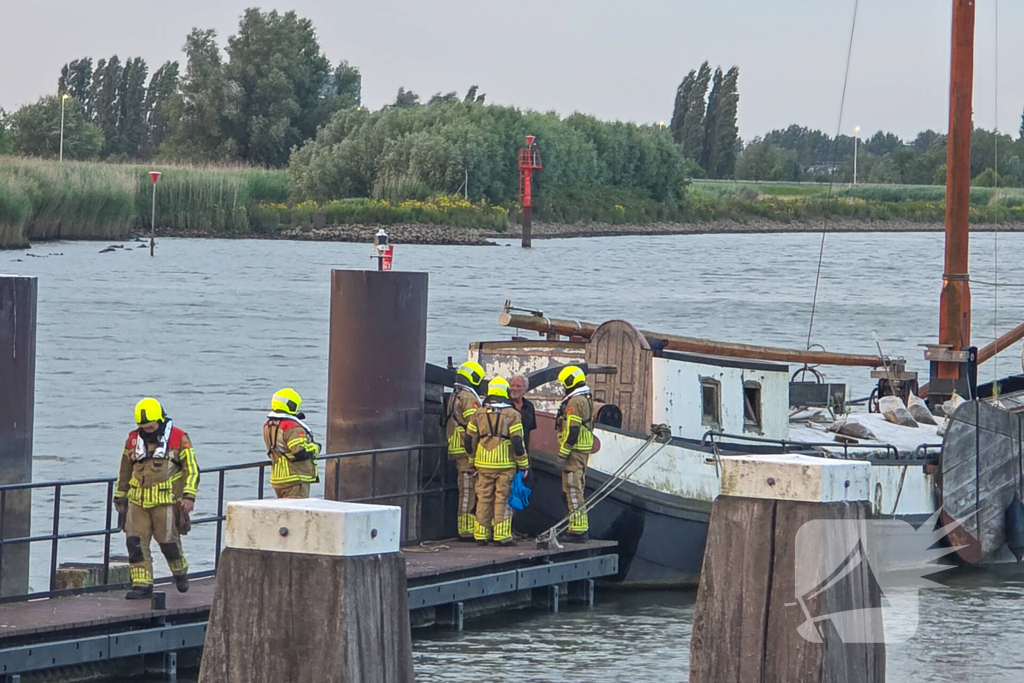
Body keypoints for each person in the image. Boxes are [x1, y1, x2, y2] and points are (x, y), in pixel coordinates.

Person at [114, 398, 199, 599]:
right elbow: (125, 469)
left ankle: (180, 573)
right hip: (137, 500)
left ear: (160, 421)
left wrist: (189, 496)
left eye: (151, 427)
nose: (148, 431)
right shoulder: (133, 440)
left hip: (166, 501)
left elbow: (192, 469)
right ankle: (142, 585)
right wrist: (120, 495)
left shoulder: (179, 438)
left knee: (169, 543)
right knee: (134, 543)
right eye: (143, 427)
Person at [465, 377, 529, 546]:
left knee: (483, 498)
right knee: (503, 498)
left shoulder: (478, 413)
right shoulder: (513, 414)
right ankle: (501, 536)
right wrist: (523, 464)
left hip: (483, 463)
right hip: (505, 464)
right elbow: (517, 442)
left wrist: (472, 461)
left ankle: (481, 535)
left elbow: (468, 440)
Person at [555, 366, 594, 543]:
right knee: (576, 488)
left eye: (565, 383)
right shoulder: (584, 397)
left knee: (572, 489)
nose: (564, 387)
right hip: (582, 449)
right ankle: (576, 527)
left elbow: (573, 430)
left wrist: (562, 454)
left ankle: (578, 531)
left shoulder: (575, 402)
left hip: (574, 451)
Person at [446, 361, 484, 540]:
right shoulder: (468, 397)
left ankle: (467, 527)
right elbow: (474, 424)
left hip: (458, 447)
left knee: (466, 488)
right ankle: (466, 530)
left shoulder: (456, 395)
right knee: (468, 490)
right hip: (466, 449)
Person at [263, 388, 321, 499]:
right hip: (294, 477)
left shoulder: (269, 424)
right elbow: (299, 452)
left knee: (284, 512)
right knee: (296, 513)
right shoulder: (292, 426)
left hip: (278, 478)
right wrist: (316, 447)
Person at [509, 375, 537, 453]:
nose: (514, 388)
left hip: (524, 452)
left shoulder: (529, 406)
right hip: (507, 454)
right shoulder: (504, 405)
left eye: (518, 386)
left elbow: (529, 430)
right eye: (512, 385)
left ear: (524, 389)